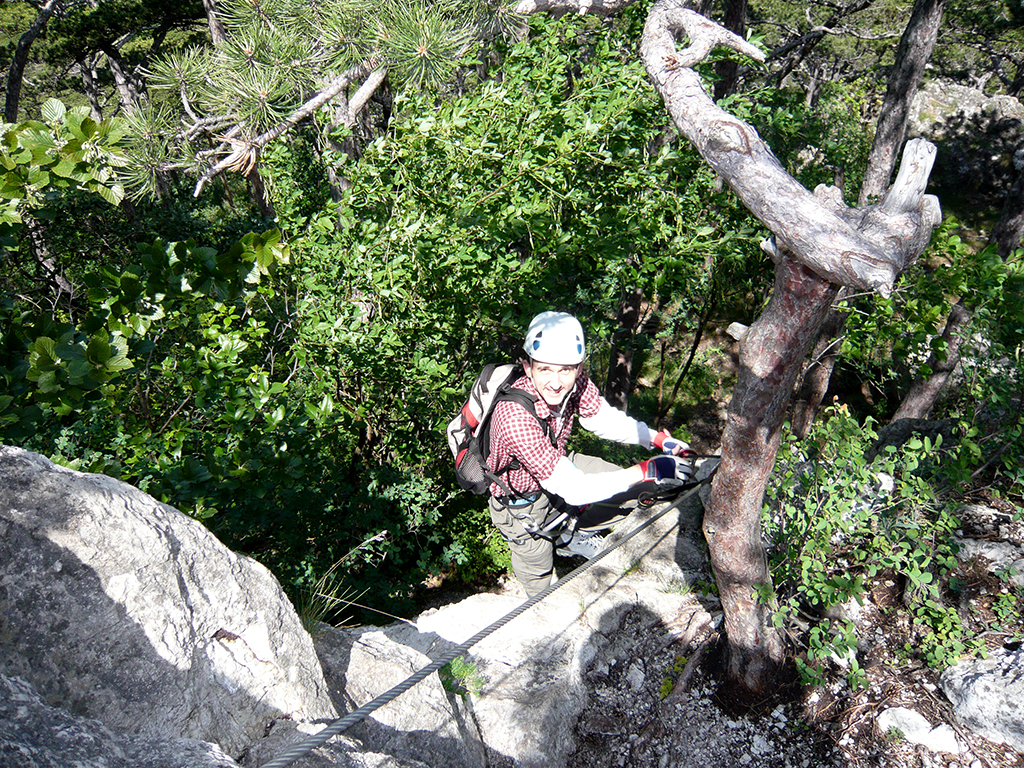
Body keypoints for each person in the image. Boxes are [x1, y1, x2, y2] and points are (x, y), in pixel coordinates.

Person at [487, 311, 692, 596]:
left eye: (566, 370)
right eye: (545, 369)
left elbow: (604, 420)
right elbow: (576, 489)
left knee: (644, 489)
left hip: (557, 465)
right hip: (523, 505)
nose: (556, 382)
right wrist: (647, 469)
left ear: (579, 368)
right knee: (542, 592)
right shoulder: (514, 417)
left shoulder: (576, 383)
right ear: (527, 366)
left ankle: (575, 532)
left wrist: (656, 439)